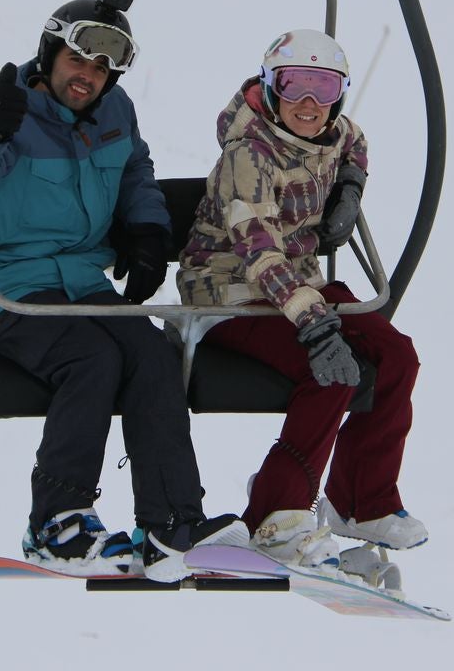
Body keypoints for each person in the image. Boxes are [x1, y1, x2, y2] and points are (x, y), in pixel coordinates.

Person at [0, 0, 245, 579]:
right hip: (3, 282)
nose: (88, 76)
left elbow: (134, 168)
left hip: (80, 279)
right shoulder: (8, 109)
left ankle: (170, 524)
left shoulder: (115, 112)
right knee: (90, 360)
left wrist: (148, 231)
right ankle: (57, 521)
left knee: (152, 353)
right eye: (77, 59)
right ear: (50, 53)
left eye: (104, 68)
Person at [177, 29, 426, 571]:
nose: (310, 104)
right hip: (230, 291)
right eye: (295, 87)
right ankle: (276, 512)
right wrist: (316, 326)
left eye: (325, 87)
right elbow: (258, 247)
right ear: (270, 88)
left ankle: (361, 501)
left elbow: (355, 142)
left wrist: (351, 186)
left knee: (396, 356)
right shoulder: (250, 152)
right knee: (329, 368)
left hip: (298, 283)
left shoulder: (334, 133)